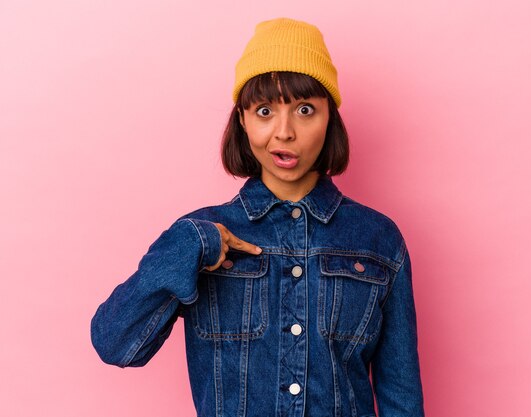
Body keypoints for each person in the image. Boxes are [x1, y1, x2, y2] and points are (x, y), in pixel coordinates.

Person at [91, 17, 425, 417]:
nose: (284, 132)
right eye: (265, 110)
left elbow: (400, 397)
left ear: (329, 119)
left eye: (305, 109)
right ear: (243, 121)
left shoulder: (378, 240)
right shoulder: (201, 236)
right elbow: (115, 342)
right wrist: (191, 245)